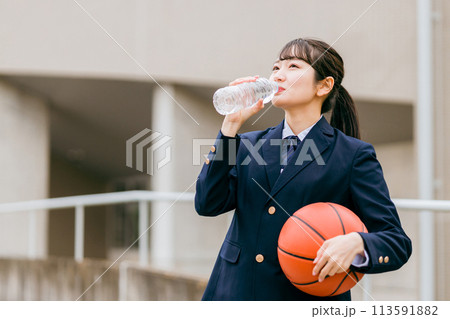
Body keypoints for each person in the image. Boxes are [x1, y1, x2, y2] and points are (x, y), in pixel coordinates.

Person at [194, 38, 412, 301]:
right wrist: (229, 129)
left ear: (324, 86)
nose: (278, 75)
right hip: (234, 294)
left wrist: (357, 243)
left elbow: (396, 242)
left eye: (293, 66)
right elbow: (207, 203)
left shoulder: (353, 155)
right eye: (276, 68)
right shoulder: (248, 143)